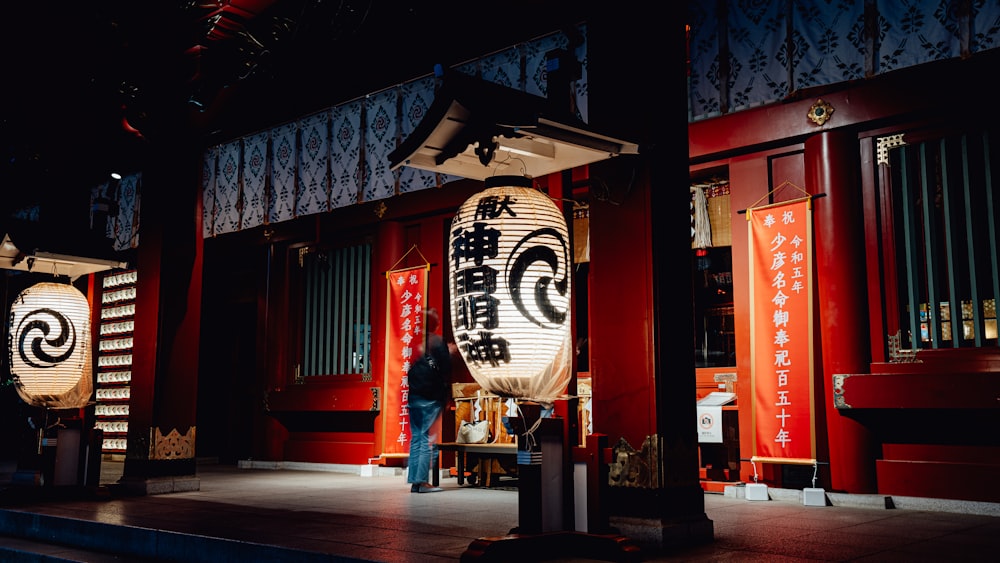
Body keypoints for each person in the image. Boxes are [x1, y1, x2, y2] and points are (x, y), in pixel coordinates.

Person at [406, 307, 453, 493]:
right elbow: (445, 370)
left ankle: (414, 482)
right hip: (430, 397)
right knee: (427, 440)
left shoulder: (415, 341)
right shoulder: (437, 341)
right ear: (436, 324)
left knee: (416, 438)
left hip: (414, 396)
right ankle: (423, 481)